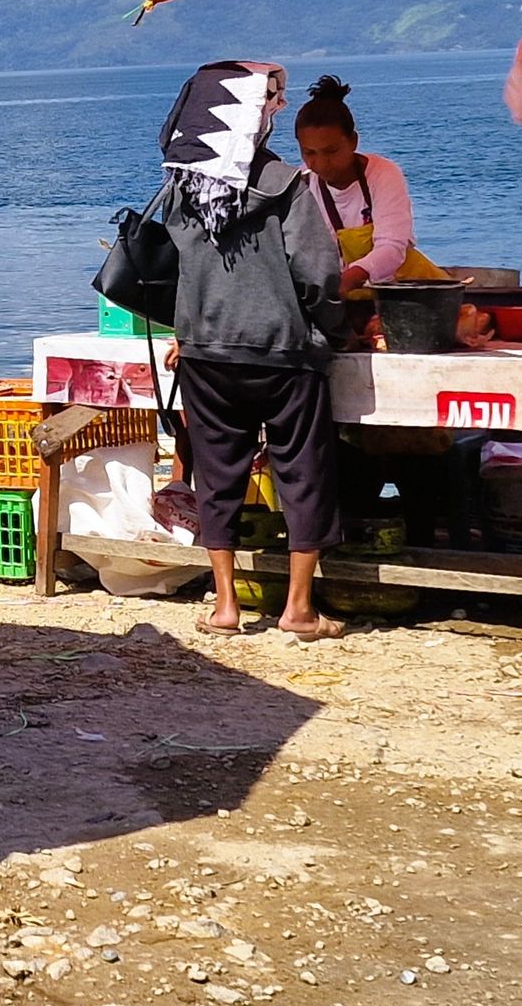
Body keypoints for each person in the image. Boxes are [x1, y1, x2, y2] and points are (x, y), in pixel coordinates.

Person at [148, 60, 349, 641]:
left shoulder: (181, 190)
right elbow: (319, 275)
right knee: (303, 475)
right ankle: (299, 609)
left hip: (205, 355)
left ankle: (226, 607)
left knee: (218, 478)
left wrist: (187, 329)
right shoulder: (287, 185)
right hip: (284, 355)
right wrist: (335, 332)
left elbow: (177, 270)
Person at [292, 74, 450, 298]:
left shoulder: (384, 173)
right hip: (348, 298)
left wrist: (348, 280)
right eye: (309, 153)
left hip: (407, 292)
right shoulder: (302, 185)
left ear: (353, 141)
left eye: (331, 151)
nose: (321, 163)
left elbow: (391, 247)